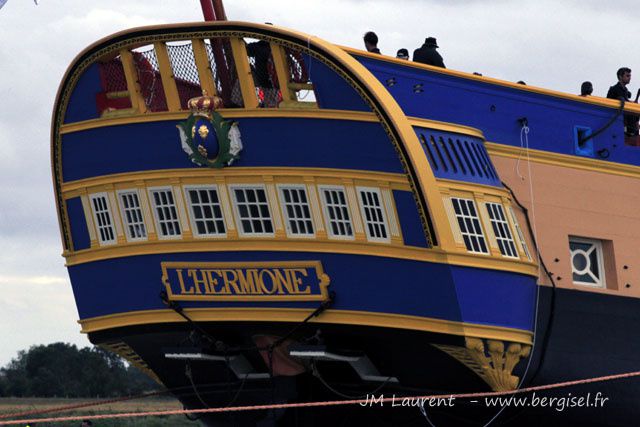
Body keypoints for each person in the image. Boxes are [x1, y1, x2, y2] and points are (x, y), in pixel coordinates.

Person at [607, 67, 638, 136]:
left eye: (630, 76)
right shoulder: (614, 89)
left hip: (626, 121)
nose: (629, 78)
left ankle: (635, 131)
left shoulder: (626, 90)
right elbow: (608, 104)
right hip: (618, 120)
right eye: (627, 76)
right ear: (620, 77)